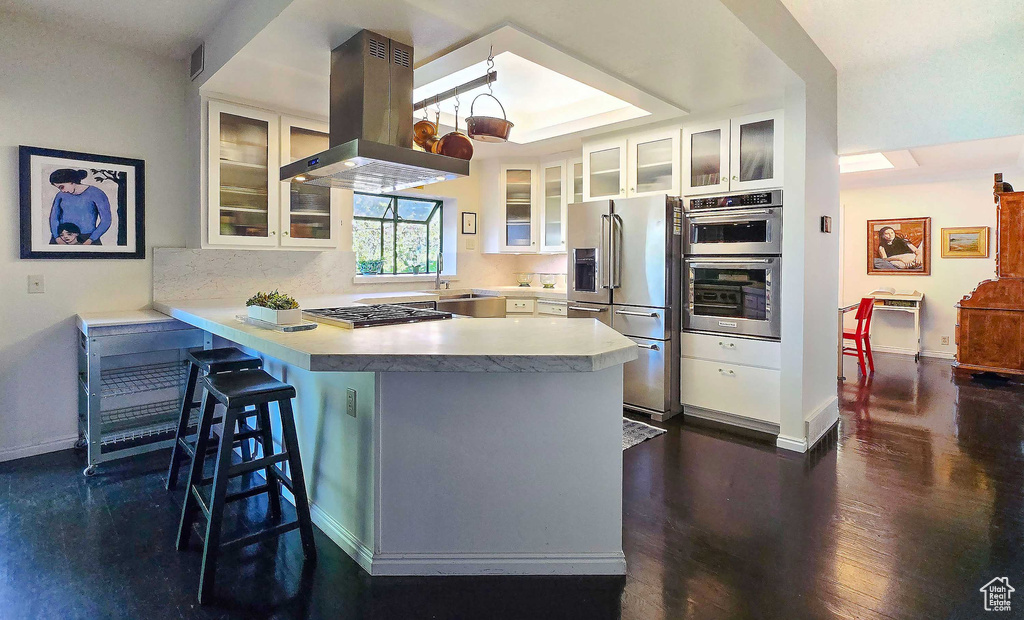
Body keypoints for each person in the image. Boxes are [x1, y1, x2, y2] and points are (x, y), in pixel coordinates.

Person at [48, 168, 111, 245]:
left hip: (87, 237)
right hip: (62, 237)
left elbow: (106, 220)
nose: (62, 190)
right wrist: (57, 237)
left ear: (71, 181)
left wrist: (91, 239)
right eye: (59, 188)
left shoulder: (96, 193)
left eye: (62, 187)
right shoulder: (60, 195)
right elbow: (54, 218)